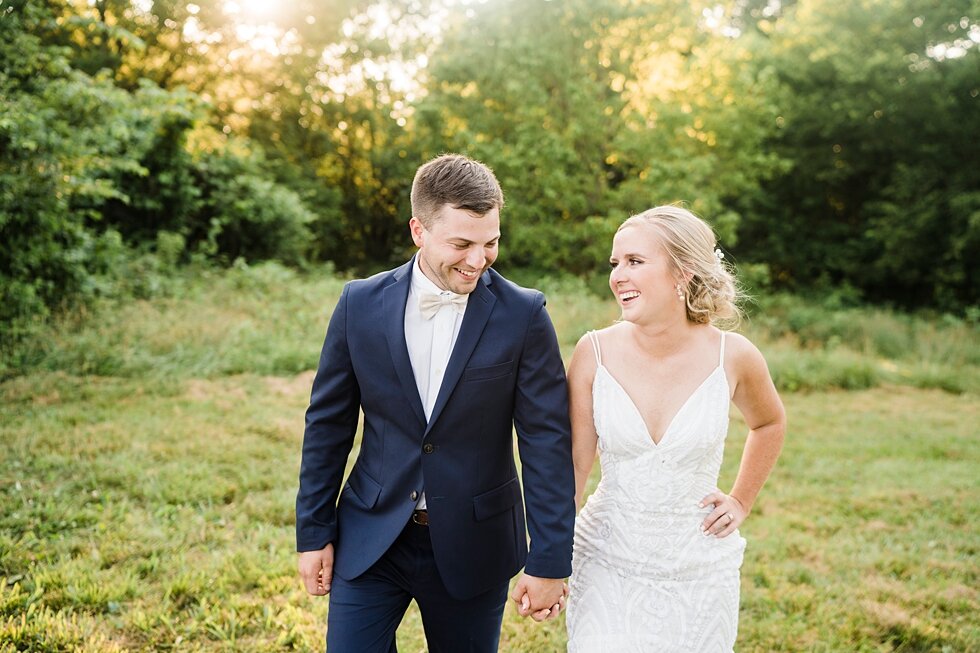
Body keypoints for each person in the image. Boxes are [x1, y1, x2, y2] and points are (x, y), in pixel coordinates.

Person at [295, 153, 577, 652]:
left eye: (491, 243)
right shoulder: (359, 304)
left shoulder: (524, 315)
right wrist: (313, 532)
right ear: (418, 230)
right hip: (370, 536)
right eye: (462, 244)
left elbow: (546, 443)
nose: (478, 259)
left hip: (476, 543)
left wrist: (551, 559)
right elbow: (327, 426)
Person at [564, 205, 786, 652]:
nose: (618, 276)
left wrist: (741, 500)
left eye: (635, 261)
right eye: (615, 263)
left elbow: (770, 421)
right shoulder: (593, 353)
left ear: (682, 272)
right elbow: (574, 466)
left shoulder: (734, 355)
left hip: (699, 567)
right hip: (608, 559)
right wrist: (549, 559)